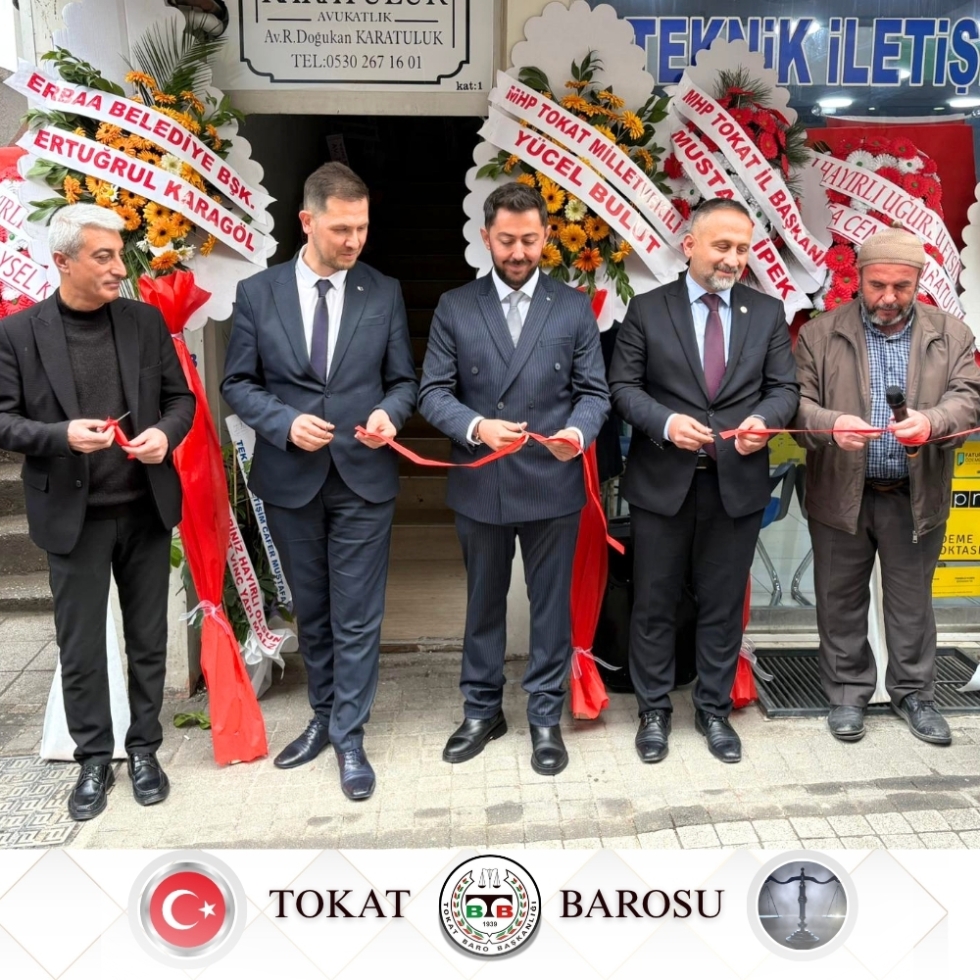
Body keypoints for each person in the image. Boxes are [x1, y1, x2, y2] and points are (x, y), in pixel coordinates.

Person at [221, 162, 417, 800]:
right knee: (313, 609)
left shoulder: (383, 291)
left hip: (364, 477)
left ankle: (349, 736)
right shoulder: (258, 292)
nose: (354, 240)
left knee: (357, 614)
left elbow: (403, 380)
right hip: (291, 478)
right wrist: (283, 422)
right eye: (341, 229)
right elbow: (237, 383)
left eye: (362, 227)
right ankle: (322, 717)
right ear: (307, 221)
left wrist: (391, 413)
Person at [0, 204, 195, 820]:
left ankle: (144, 750)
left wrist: (165, 434)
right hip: (72, 517)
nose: (118, 268)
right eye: (103, 256)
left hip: (144, 509)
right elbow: (4, 420)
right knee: (81, 646)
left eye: (118, 254)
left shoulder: (144, 320)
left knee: (148, 640)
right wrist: (59, 436)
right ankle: (92, 759)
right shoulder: (18, 333)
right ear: (63, 261)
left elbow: (180, 399)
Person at [418, 182, 609, 775]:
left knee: (550, 607)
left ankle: (545, 715)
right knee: (483, 602)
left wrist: (575, 434)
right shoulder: (455, 305)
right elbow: (432, 392)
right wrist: (477, 426)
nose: (519, 251)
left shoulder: (572, 306)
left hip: (552, 480)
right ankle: (482, 711)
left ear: (547, 236)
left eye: (529, 239)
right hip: (483, 479)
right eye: (506, 240)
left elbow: (595, 393)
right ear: (485, 237)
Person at [608, 198, 799, 765]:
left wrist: (764, 421)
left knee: (721, 603)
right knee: (654, 602)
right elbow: (622, 388)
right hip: (662, 483)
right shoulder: (647, 309)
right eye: (722, 246)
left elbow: (784, 389)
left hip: (735, 484)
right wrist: (666, 423)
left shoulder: (766, 313)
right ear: (689, 245)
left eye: (742, 249)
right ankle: (653, 711)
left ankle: (713, 710)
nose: (733, 259)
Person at [794, 228, 980, 746]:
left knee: (911, 603)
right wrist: (831, 423)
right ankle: (847, 694)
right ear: (858, 278)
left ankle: (915, 694)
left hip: (914, 494)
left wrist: (932, 421)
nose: (889, 297)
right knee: (838, 600)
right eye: (878, 285)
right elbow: (796, 403)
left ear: (919, 281)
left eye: (902, 286)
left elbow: (969, 398)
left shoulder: (951, 333)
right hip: (840, 492)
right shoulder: (820, 333)